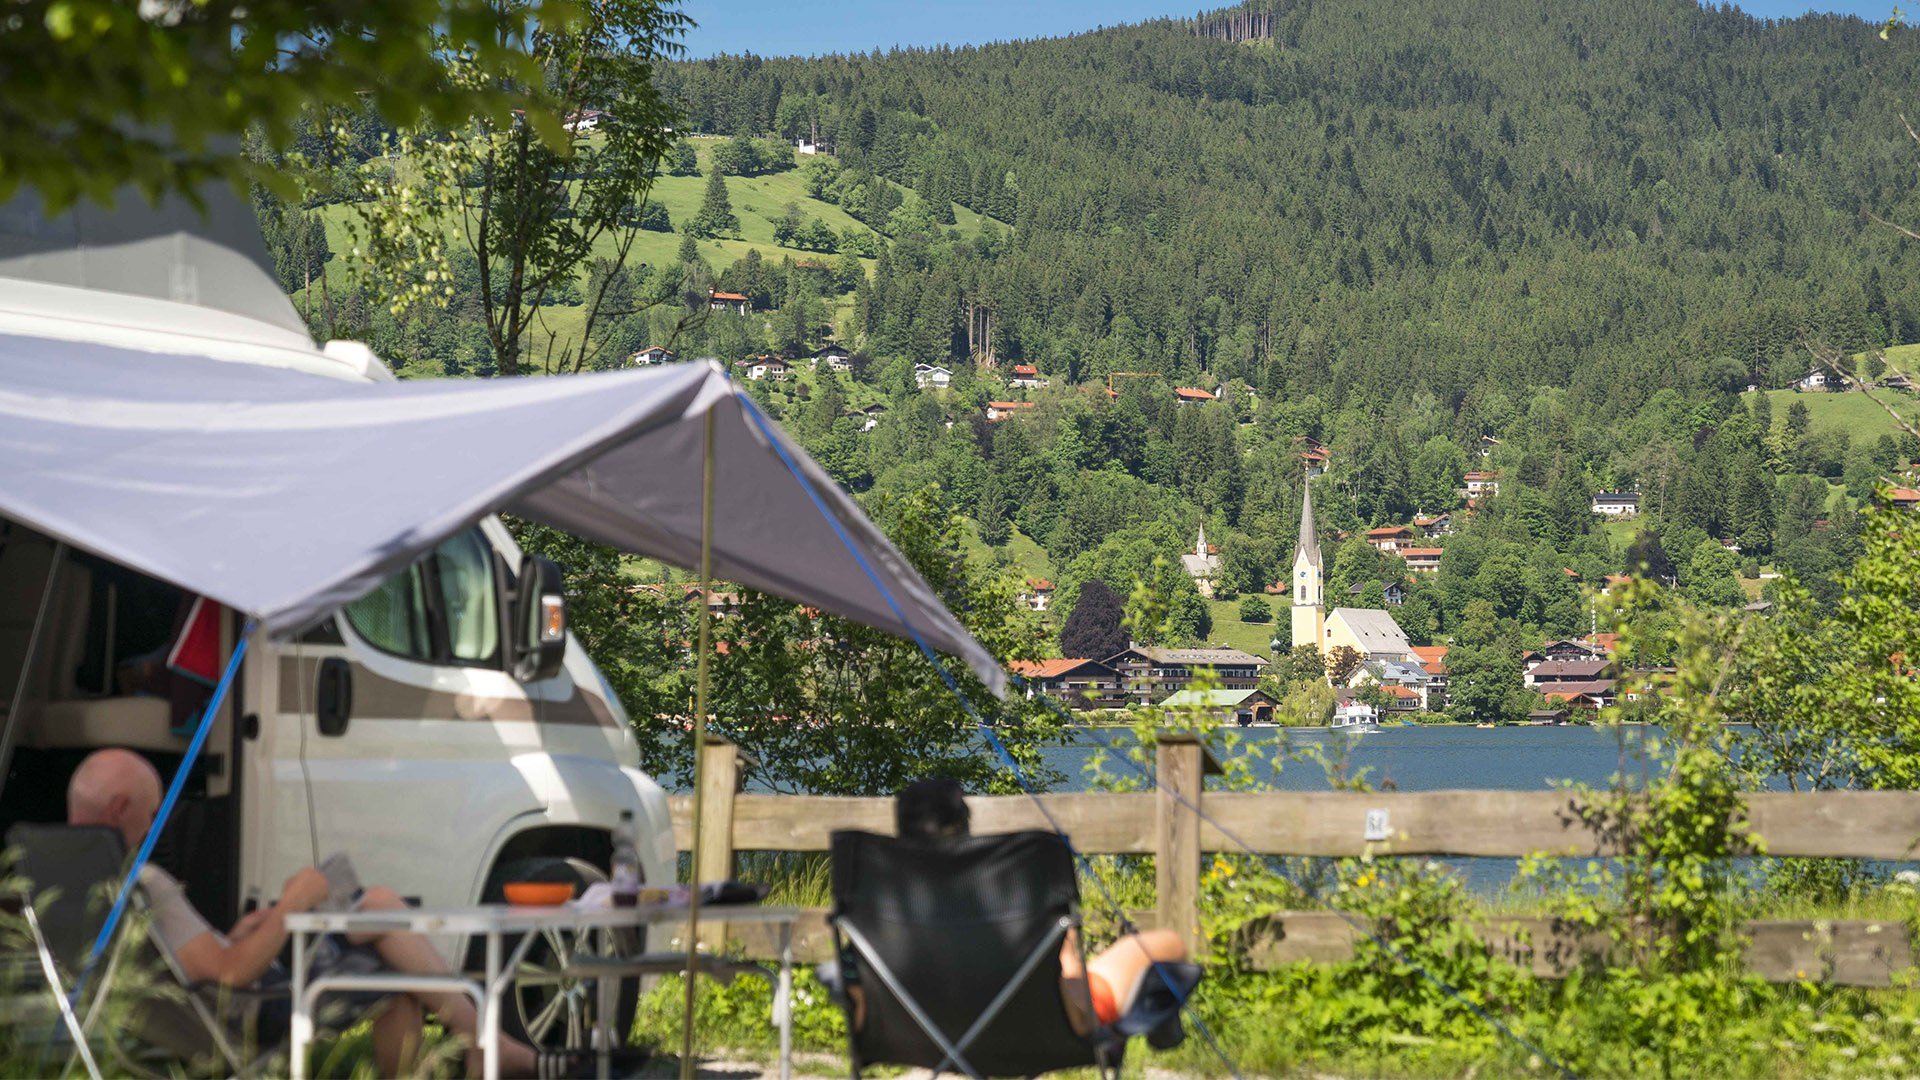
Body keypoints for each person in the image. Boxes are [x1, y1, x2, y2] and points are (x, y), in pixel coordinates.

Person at [66, 749, 631, 1078]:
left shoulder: (73, 873)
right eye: (152, 807)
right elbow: (231, 976)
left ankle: (491, 1047)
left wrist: (241, 929)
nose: (159, 818)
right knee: (395, 969)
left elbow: (203, 958)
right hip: (242, 1013)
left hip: (192, 1004)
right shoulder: (144, 879)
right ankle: (496, 1050)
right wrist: (294, 904)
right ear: (121, 809)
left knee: (380, 906)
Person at [889, 778, 1190, 1037]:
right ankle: (1153, 1030)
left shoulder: (888, 904)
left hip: (923, 1031)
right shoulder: (996, 891)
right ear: (965, 825)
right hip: (1054, 1026)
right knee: (1168, 943)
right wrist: (1069, 953)